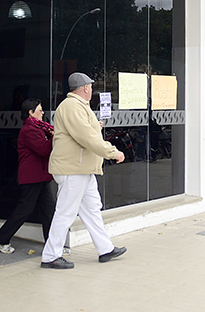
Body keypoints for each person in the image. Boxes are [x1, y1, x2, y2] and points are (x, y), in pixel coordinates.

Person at [40, 72, 126, 269]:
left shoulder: (77, 106)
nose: (92, 90)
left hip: (81, 168)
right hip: (73, 169)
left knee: (92, 209)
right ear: (85, 88)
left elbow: (84, 132)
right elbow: (86, 137)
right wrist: (112, 152)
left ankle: (105, 249)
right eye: (91, 87)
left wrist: (96, 127)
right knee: (65, 212)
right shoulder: (72, 106)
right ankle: (51, 256)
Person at [0, 99, 56, 254]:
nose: (43, 113)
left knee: (49, 211)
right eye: (40, 110)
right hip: (32, 176)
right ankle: (1, 239)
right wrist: (55, 137)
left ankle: (53, 245)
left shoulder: (39, 127)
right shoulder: (29, 130)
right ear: (30, 113)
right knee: (25, 209)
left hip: (41, 175)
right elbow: (43, 149)